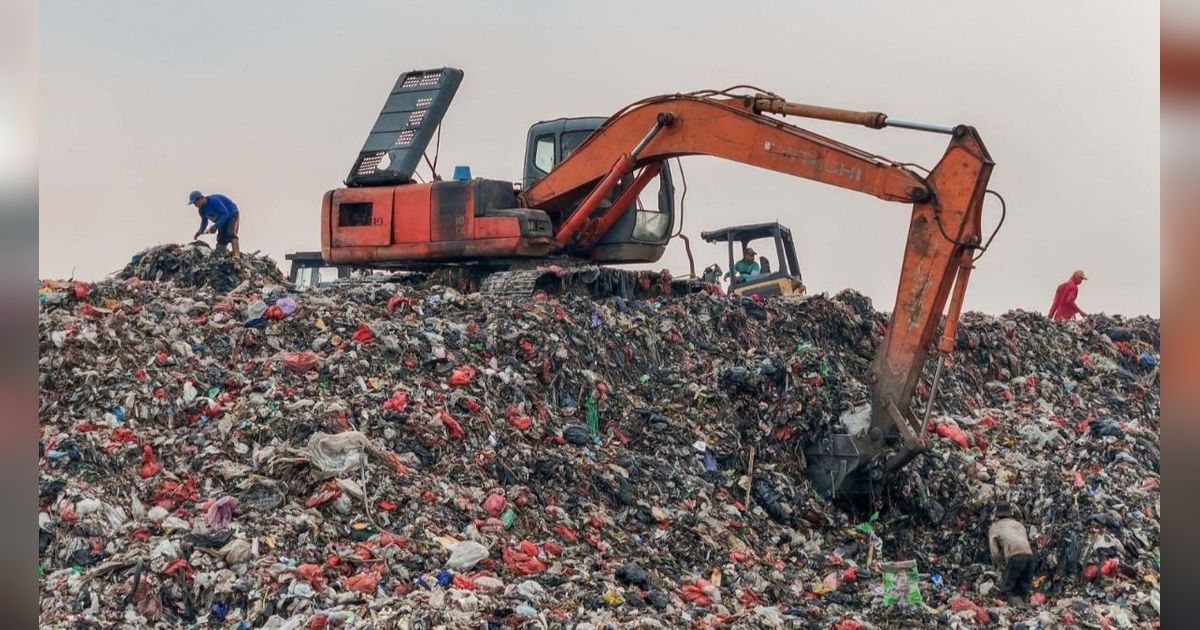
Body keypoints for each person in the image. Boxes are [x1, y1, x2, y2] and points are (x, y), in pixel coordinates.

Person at [989, 502, 1035, 606]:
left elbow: (995, 553)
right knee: (1021, 590)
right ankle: (1025, 612)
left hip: (1016, 557)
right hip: (1030, 557)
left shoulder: (995, 528)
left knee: (1006, 590)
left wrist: (1000, 566)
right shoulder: (1019, 525)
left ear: (997, 516)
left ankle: (1021, 609)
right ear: (1010, 514)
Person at [188, 190, 241, 257]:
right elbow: (204, 221)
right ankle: (220, 255)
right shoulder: (201, 210)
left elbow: (225, 214)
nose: (195, 205)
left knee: (230, 232)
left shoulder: (213, 201)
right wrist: (200, 231)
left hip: (232, 214)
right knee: (221, 238)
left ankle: (236, 255)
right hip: (221, 220)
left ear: (200, 198)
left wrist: (215, 226)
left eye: (195, 203)